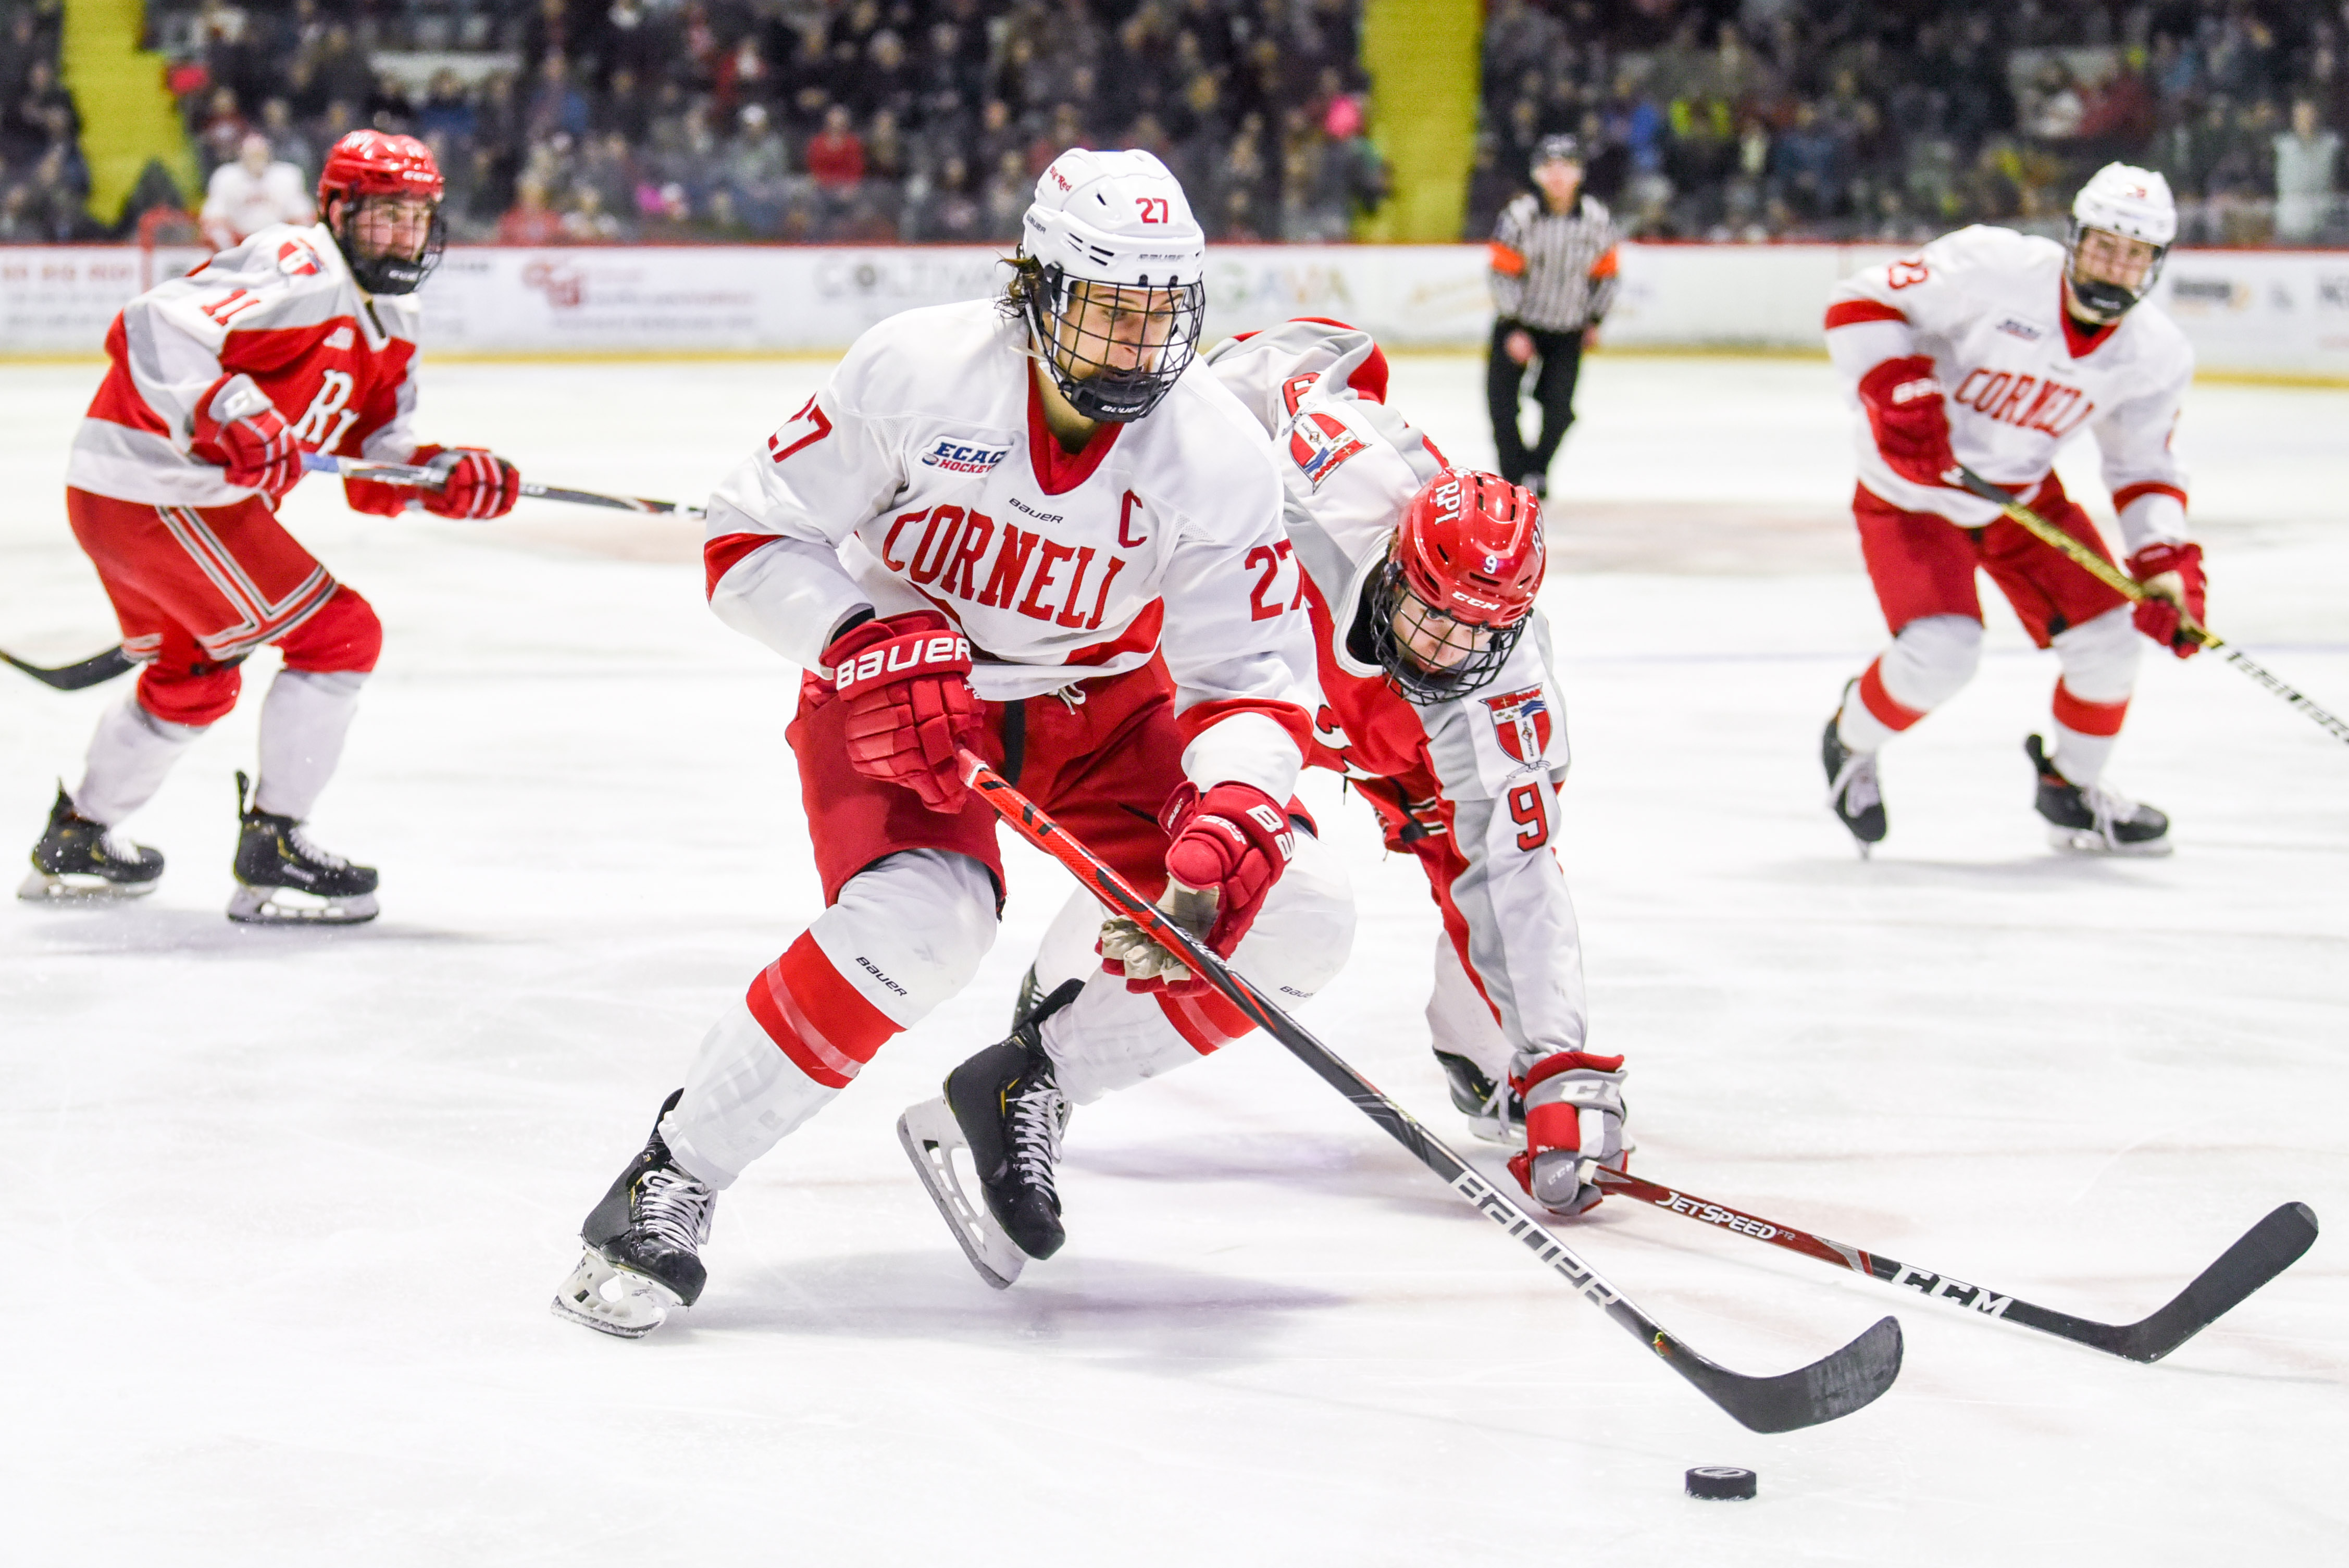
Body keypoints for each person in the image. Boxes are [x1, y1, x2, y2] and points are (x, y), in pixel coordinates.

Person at [552, 148, 1354, 1336]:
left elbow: (1253, 680)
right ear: (1033, 285)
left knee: (1297, 910)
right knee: (926, 923)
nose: (1135, 349)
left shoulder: (1218, 452)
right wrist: (858, 628)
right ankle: (670, 1175)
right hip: (901, 693)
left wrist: (1235, 804)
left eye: (1158, 317)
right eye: (1105, 311)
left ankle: (1031, 1079)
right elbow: (745, 540)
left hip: (1103, 707)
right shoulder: (918, 371)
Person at [19, 131, 521, 923]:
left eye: (415, 218)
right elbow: (153, 324)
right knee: (339, 634)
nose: (400, 236)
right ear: (336, 212)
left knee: (196, 680)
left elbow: (374, 460)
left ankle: (79, 836)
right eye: (382, 217)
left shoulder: (395, 316)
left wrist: (440, 477)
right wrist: (228, 406)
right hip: (159, 489)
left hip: (157, 498)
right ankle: (277, 844)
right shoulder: (302, 264)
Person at [1194, 316, 1629, 1215]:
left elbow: (1520, 873)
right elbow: (1280, 369)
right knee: (1197, 823)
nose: (1447, 649)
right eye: (1434, 616)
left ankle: (1485, 1060)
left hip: (1408, 744)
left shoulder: (1502, 688)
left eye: (1478, 633)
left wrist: (1554, 1060)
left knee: (1476, 858)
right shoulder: (1320, 494)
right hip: (1276, 656)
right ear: (1398, 559)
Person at [1819, 164, 2202, 858]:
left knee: (2111, 643)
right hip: (1910, 495)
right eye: (2104, 245)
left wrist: (2163, 561)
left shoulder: (2155, 353)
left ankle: (2073, 787)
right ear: (2074, 237)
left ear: (2157, 262)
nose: (2116, 268)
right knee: (1942, 653)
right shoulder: (1994, 266)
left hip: (2019, 500)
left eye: (2136, 254)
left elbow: (2143, 465)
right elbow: (1858, 304)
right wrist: (1898, 393)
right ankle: (1849, 738)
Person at [1485, 134, 1619, 497]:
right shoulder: (1518, 217)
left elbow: (1606, 274)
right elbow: (1500, 274)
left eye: (1566, 167)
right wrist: (1512, 325)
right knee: (1501, 406)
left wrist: (1594, 321)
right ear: (1537, 174)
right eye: (1549, 167)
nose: (1557, 175)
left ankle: (1538, 468)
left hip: (1568, 326)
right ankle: (1513, 479)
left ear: (1578, 173)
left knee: (1558, 408)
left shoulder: (1596, 219)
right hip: (1519, 323)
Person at [200, 131, 315, 250]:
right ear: (242, 155)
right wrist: (229, 252)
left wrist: (292, 248)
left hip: (279, 244)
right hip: (239, 244)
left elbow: (303, 217)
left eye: (260, 155)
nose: (256, 160)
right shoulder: (225, 177)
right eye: (252, 155)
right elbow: (214, 219)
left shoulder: (287, 176)